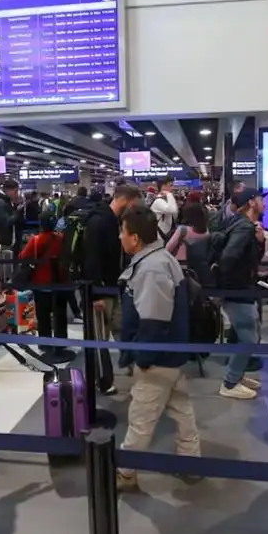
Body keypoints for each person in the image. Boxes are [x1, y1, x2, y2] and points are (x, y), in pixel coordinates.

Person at [115, 206, 200, 491]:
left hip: (158, 358)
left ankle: (126, 471)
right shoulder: (159, 257)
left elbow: (153, 319)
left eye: (122, 232)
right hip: (172, 354)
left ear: (135, 238)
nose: (120, 237)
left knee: (141, 416)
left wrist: (144, 358)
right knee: (181, 409)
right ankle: (190, 461)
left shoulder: (151, 268)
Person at [84, 183, 142, 395]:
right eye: (134, 203)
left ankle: (134, 368)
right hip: (100, 291)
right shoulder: (98, 221)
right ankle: (104, 381)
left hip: (115, 286)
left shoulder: (115, 221)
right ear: (125, 199)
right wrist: (95, 294)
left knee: (123, 328)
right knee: (100, 339)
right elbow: (91, 259)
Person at [215, 188, 266, 400]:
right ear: (252, 202)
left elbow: (250, 258)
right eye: (260, 199)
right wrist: (227, 289)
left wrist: (260, 241)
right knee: (249, 337)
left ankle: (238, 376)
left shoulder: (241, 224)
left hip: (241, 287)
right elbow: (228, 258)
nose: (264, 202)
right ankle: (229, 382)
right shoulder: (244, 226)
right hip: (238, 289)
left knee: (249, 331)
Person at [19, 211, 74, 363]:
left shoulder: (35, 240)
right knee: (60, 315)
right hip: (59, 283)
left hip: (41, 283)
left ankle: (45, 344)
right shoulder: (61, 238)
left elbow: (23, 256)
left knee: (43, 316)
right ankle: (61, 343)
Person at [149, 176, 179, 241]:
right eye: (170, 185)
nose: (172, 188)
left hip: (165, 235)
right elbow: (173, 210)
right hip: (160, 237)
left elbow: (175, 214)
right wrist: (169, 194)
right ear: (163, 186)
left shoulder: (166, 200)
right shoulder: (159, 201)